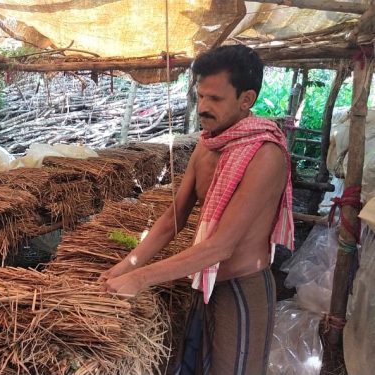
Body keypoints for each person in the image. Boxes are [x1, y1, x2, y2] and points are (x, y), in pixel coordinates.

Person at [99, 45, 293, 375]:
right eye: (200, 96)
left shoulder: (266, 154)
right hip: (203, 282)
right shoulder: (207, 144)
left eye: (215, 99)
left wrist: (142, 277)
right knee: (192, 365)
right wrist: (126, 266)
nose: (203, 107)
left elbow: (222, 246)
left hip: (241, 287)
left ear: (246, 99)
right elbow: (173, 217)